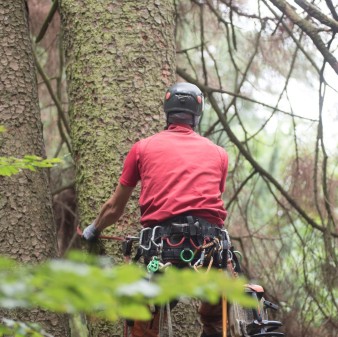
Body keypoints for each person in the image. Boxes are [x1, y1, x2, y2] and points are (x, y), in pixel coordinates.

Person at [82, 82, 229, 337]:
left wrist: (94, 229)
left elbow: (114, 207)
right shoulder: (219, 154)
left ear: (167, 111)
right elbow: (210, 202)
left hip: (161, 254)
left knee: (144, 303)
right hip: (209, 253)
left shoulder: (142, 148)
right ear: (197, 114)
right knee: (217, 316)